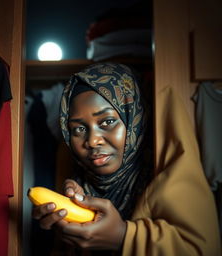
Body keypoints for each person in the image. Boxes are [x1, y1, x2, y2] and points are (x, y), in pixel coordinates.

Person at [32, 63, 221, 255]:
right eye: (79, 129)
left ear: (135, 120)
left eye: (107, 122)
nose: (92, 140)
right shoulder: (75, 180)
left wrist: (123, 236)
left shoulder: (164, 173)